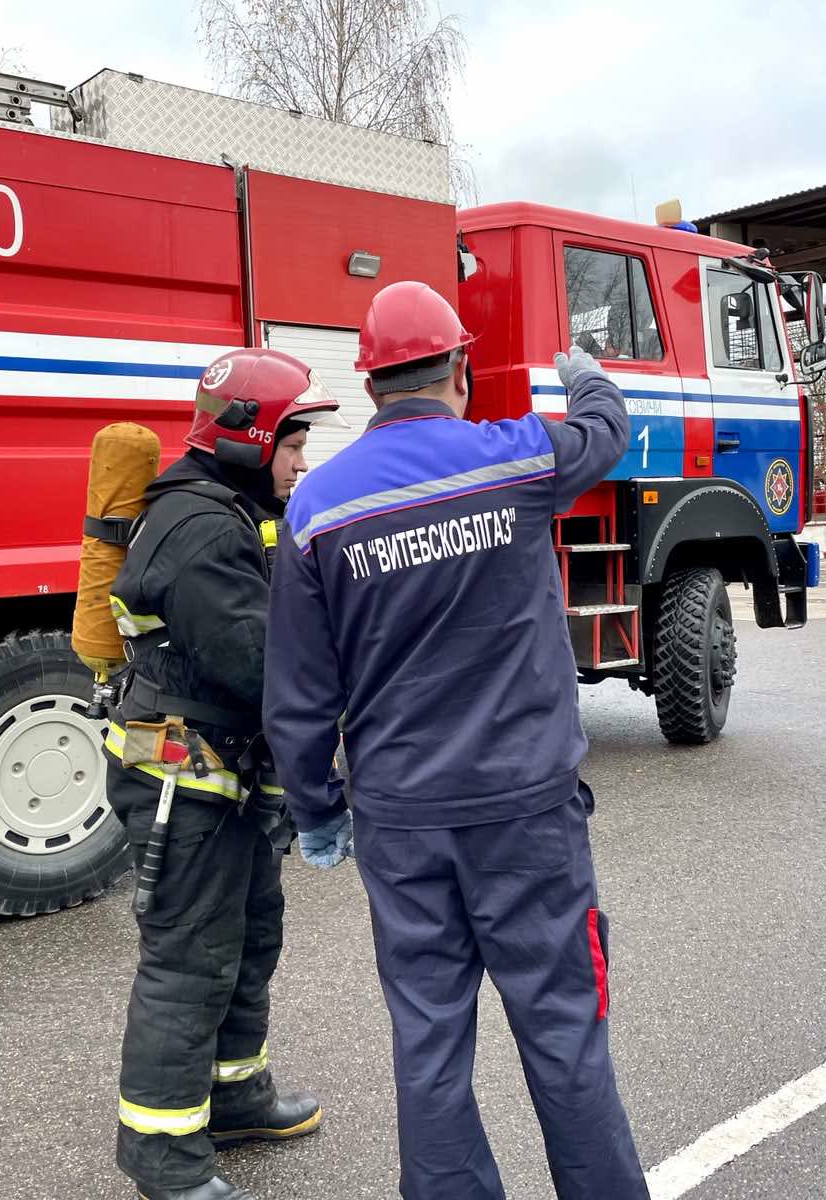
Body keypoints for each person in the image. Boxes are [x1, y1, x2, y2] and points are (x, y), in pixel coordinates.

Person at [263, 280, 649, 1199]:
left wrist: (317, 812)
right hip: (527, 816)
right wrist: (584, 375)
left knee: (430, 1042)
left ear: (372, 385)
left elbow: (300, 694)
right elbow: (605, 432)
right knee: (563, 1032)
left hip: (401, 824)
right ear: (459, 372)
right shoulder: (513, 461)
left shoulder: (317, 507)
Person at [105, 347, 339, 1200]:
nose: (302, 460)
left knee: (247, 941)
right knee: (189, 960)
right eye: (293, 442)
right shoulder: (202, 527)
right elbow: (261, 667)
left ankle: (236, 1097)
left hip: (227, 778)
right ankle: (162, 1155)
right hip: (185, 781)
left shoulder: (234, 507)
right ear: (246, 435)